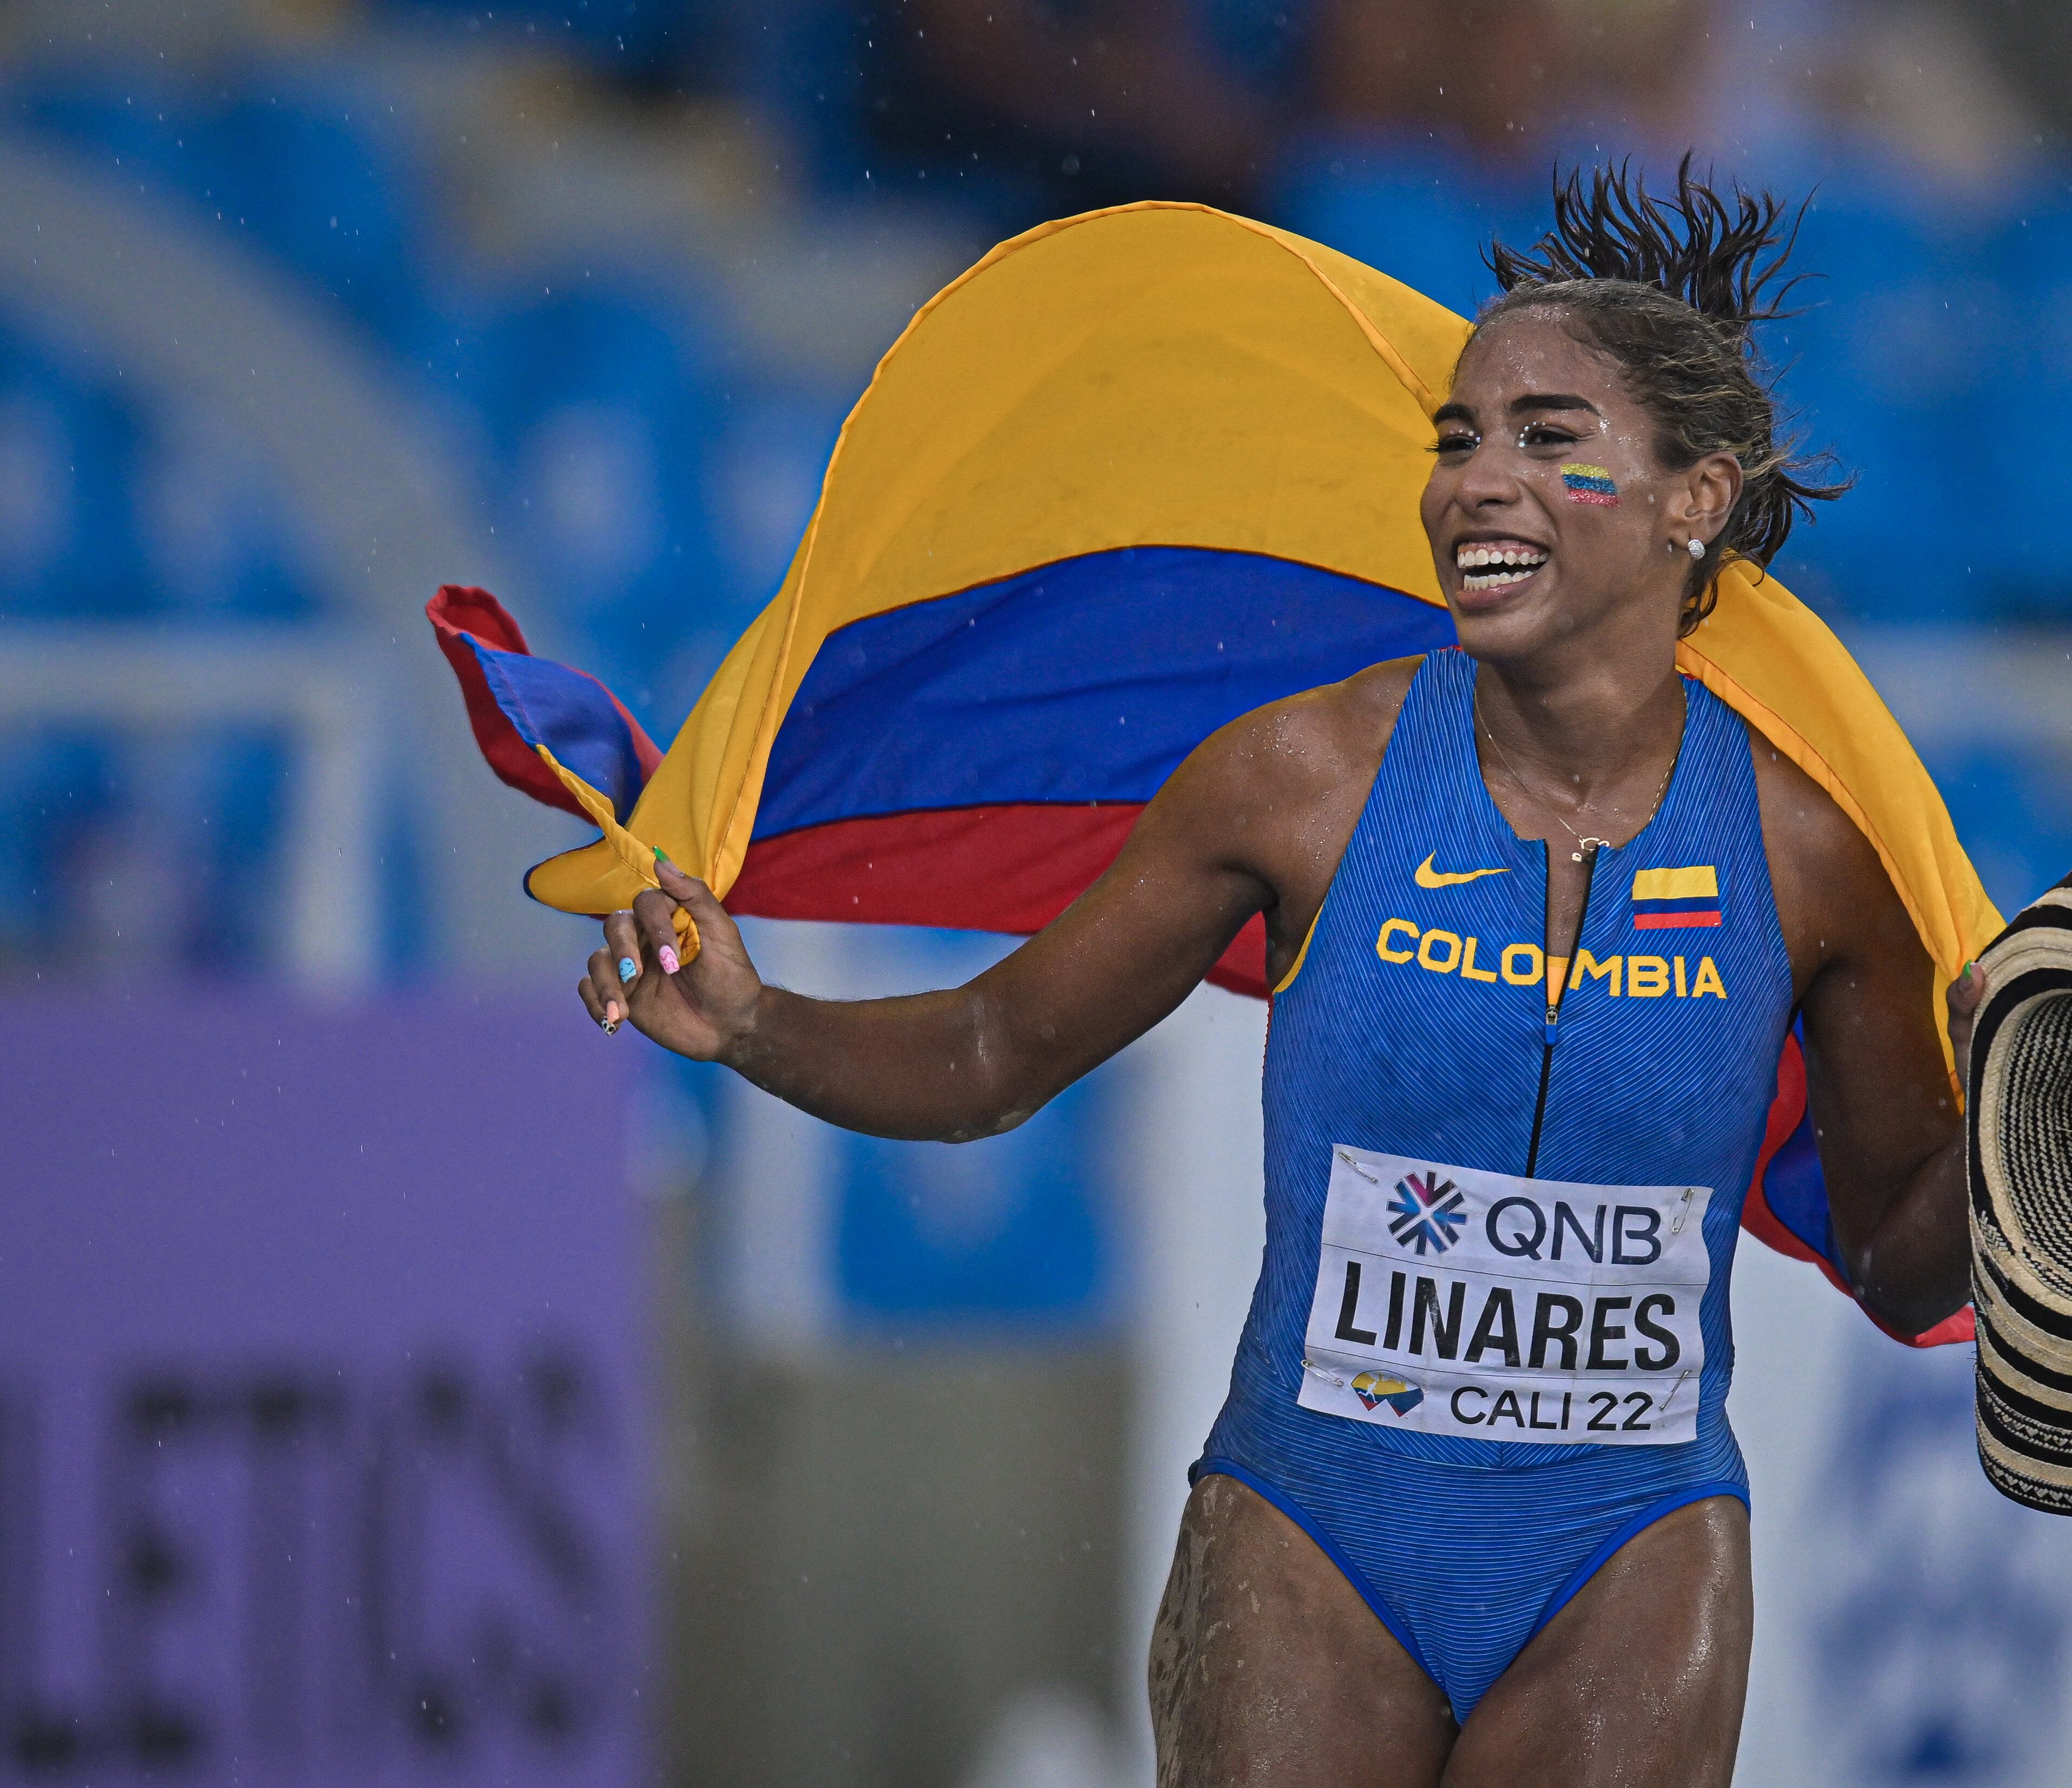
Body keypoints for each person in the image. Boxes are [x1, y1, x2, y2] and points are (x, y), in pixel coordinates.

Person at [580, 163, 1982, 1787]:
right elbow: (990, 1052)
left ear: (1694, 502)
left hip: (1629, 1543)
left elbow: (1893, 1264)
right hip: (1314, 1526)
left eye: (1548, 440)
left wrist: (2020, 1153)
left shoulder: (1810, 858)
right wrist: (751, 1024)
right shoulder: (1297, 782)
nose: (1477, 484)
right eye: (1459, 438)